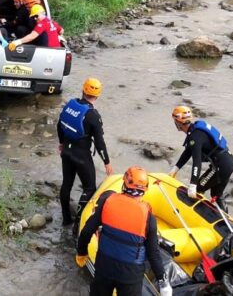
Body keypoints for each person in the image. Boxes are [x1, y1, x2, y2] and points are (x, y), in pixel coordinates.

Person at [76, 166, 171, 296]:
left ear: (124, 183)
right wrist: (163, 281)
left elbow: (87, 230)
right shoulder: (149, 218)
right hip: (130, 275)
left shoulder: (107, 201)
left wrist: (81, 252)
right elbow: (153, 253)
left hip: (104, 266)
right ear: (145, 189)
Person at [57, 78, 113, 226]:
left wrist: (62, 143)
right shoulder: (93, 115)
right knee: (89, 188)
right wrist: (106, 162)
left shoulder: (70, 105)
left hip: (67, 153)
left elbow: (60, 125)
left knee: (66, 184)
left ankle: (66, 219)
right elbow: (99, 142)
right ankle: (79, 222)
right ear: (98, 95)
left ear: (83, 90)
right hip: (82, 156)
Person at [168, 106, 233, 211]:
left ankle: (194, 217)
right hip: (228, 162)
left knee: (197, 190)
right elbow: (188, 151)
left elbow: (197, 161)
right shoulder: (195, 131)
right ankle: (226, 222)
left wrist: (193, 185)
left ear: (178, 123)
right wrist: (176, 168)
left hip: (220, 166)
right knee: (216, 195)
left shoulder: (194, 137)